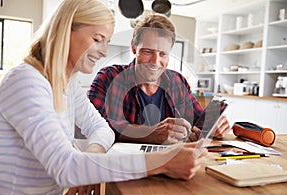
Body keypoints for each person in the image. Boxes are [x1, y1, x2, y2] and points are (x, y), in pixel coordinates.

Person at [0, 0, 208, 195]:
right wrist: (163, 161)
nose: (104, 51)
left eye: (107, 42)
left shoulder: (69, 85)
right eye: (97, 40)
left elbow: (102, 128)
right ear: (65, 32)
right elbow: (66, 167)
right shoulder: (27, 81)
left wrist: (91, 158)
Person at [88, 13, 230, 145]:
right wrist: (150, 133)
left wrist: (214, 125)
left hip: (172, 162)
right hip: (124, 163)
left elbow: (198, 121)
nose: (155, 62)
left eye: (163, 54)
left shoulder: (177, 81)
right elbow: (92, 125)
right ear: (133, 48)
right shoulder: (109, 77)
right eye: (148, 51)